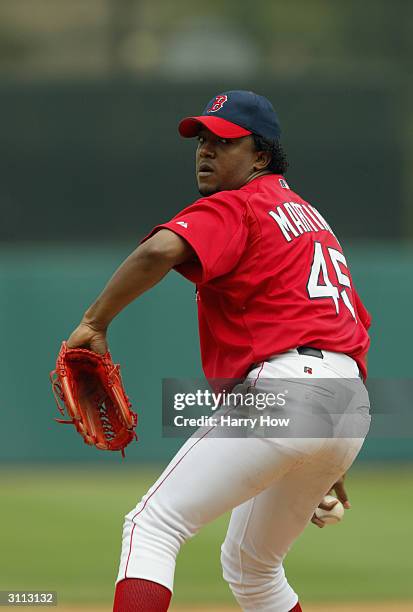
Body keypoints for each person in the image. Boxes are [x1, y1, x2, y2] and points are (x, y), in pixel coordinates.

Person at [67, 90, 371, 612]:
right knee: (254, 570)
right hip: (348, 404)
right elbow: (341, 328)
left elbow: (160, 250)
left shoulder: (240, 202)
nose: (206, 151)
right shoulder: (309, 219)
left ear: (261, 155)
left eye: (224, 141)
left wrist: (94, 323)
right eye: (202, 140)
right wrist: (325, 451)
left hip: (286, 389)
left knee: (153, 525)